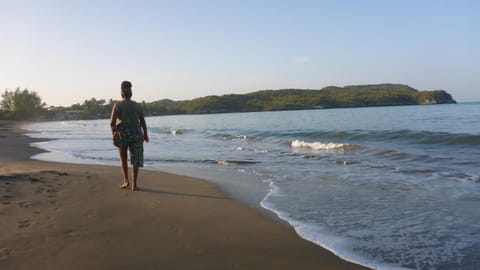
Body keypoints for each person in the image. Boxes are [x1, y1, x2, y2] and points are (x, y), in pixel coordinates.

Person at [110, 81, 149, 191]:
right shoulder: (137, 106)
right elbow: (142, 121)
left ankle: (126, 181)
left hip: (123, 133)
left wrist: (113, 133)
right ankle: (134, 185)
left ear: (121, 92)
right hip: (136, 134)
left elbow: (112, 122)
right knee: (135, 159)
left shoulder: (117, 105)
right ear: (131, 92)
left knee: (123, 158)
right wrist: (145, 134)